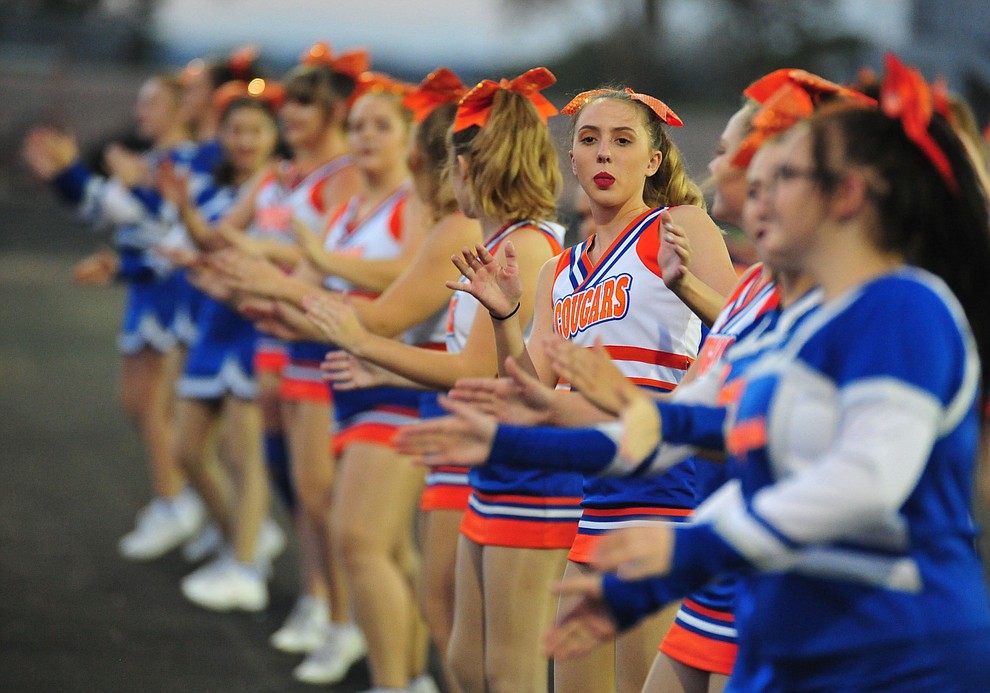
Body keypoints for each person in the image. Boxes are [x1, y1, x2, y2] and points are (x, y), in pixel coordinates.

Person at [546, 54, 990, 692]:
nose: (736, 176)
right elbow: (708, 418)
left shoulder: (900, 306)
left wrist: (695, 544)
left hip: (889, 634)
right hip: (778, 592)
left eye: (775, 172)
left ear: (846, 193)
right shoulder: (773, 298)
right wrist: (521, 437)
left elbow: (866, 479)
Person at [443, 85, 737, 693]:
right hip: (596, 501)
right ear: (571, 157)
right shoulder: (559, 270)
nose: (604, 154)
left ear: (653, 161)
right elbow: (525, 395)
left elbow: (744, 338)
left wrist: (685, 377)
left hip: (668, 493)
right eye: (590, 140)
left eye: (623, 141)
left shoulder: (680, 226)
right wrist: (504, 317)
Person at [304, 67, 584, 693]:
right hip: (482, 454)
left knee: (500, 665)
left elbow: (480, 369)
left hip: (524, 465)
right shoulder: (506, 238)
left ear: (466, 168)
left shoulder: (526, 247)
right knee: (461, 652)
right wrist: (380, 364)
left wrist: (366, 342)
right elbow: (472, 362)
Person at [22, 73, 205, 561]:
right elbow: (102, 213)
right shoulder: (150, 161)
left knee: (153, 403)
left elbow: (145, 216)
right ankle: (185, 498)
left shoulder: (188, 160)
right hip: (145, 288)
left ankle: (177, 502)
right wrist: (65, 177)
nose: (141, 111)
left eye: (152, 103)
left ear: (181, 108)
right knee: (142, 403)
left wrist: (78, 176)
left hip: (168, 289)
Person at [156, 79, 287, 611]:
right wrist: (184, 211)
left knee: (243, 455)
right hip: (214, 322)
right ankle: (241, 534)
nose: (244, 140)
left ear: (271, 135)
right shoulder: (216, 184)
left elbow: (255, 251)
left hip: (256, 324)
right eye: (235, 130)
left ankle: (246, 561)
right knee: (186, 451)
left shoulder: (278, 183)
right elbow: (207, 242)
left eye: (255, 130)